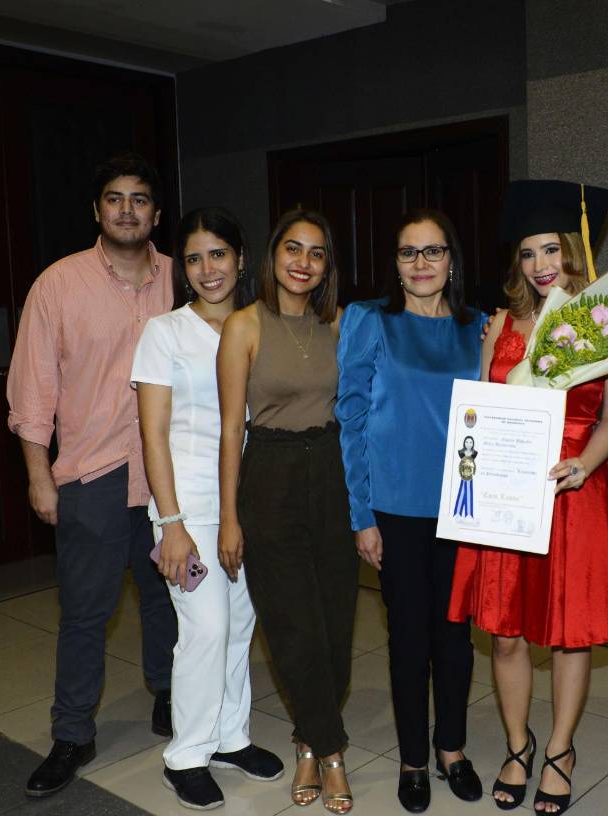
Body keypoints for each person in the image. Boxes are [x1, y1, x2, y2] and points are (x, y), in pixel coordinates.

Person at [448, 179, 608, 814]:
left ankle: (560, 750)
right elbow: (481, 407)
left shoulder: (599, 323)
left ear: (573, 254)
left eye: (552, 251)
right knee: (505, 635)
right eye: (529, 253)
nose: (541, 266)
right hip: (509, 495)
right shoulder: (500, 324)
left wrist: (584, 466)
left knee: (568, 634)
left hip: (576, 491)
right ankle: (517, 744)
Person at [7, 153, 179, 798]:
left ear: (156, 214)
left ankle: (167, 693)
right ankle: (73, 731)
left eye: (140, 199)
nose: (128, 209)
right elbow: (32, 389)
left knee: (168, 594)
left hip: (169, 471)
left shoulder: (185, 277)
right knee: (85, 613)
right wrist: (38, 476)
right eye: (115, 198)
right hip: (92, 474)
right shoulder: (58, 285)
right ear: (97, 210)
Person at [131, 207, 283, 810]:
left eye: (218, 254)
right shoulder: (164, 333)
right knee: (207, 627)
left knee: (240, 628)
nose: (207, 269)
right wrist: (170, 525)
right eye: (193, 258)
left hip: (249, 504)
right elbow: (153, 435)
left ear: (241, 259)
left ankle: (230, 737)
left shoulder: (260, 326)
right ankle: (186, 754)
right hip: (188, 506)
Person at [336, 209, 485, 814]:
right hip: (393, 506)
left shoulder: (480, 326)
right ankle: (413, 760)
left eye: (433, 251)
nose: (421, 264)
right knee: (408, 639)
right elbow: (350, 418)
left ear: (452, 259)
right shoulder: (368, 320)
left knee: (455, 636)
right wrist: (360, 514)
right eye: (408, 253)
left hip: (463, 505)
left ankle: (452, 748)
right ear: (394, 263)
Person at [217, 209, 358, 814]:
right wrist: (228, 517)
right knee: (293, 626)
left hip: (331, 473)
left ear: (328, 265)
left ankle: (306, 740)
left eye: (317, 253)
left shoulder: (341, 324)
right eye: (293, 249)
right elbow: (230, 431)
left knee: (336, 623)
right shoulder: (244, 326)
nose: (303, 262)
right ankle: (330, 754)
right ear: (272, 256)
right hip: (269, 475)